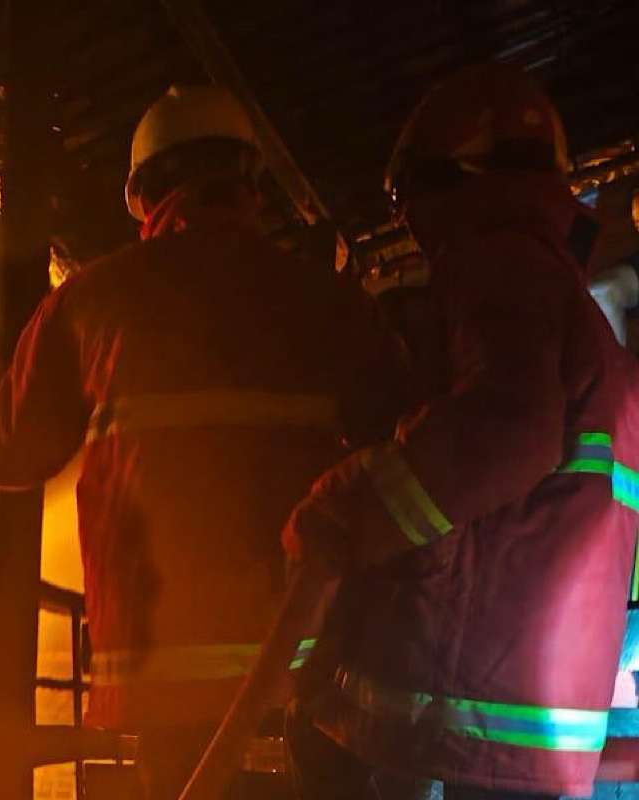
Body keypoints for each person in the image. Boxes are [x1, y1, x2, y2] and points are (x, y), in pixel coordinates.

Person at [0, 84, 405, 800]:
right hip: (300, 661)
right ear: (249, 182)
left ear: (145, 193)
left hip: (161, 672)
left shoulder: (89, 302)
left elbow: (9, 451)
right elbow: (404, 442)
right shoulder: (327, 302)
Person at [281, 61, 639, 800]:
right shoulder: (575, 314)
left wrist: (345, 507)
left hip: (465, 711)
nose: (408, 219)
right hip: (524, 732)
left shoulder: (497, 263)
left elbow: (503, 433)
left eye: (405, 192)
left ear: (448, 175)